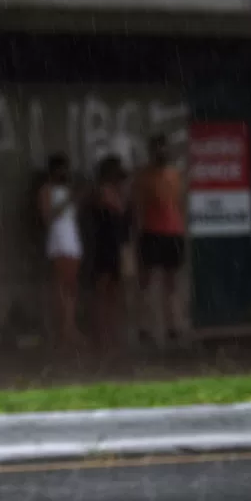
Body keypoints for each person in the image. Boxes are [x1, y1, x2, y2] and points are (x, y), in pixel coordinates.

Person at [133, 134, 188, 344]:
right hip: (151, 232)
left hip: (173, 233)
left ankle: (172, 325)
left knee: (171, 282)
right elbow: (139, 207)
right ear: (152, 152)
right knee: (146, 282)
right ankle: (145, 327)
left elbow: (179, 203)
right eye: (157, 149)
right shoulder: (144, 177)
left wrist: (181, 231)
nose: (161, 153)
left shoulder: (175, 175)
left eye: (164, 149)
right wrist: (137, 237)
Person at [38, 153, 83, 347]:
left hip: (72, 243)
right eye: (61, 169)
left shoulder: (67, 190)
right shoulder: (46, 190)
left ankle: (70, 326)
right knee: (61, 286)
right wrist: (68, 201)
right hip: (58, 243)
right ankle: (62, 329)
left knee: (72, 287)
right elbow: (48, 216)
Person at [90, 156, 132, 351]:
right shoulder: (102, 192)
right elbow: (116, 207)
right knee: (102, 290)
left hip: (117, 245)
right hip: (104, 245)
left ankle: (113, 333)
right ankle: (102, 334)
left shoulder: (118, 191)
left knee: (115, 292)